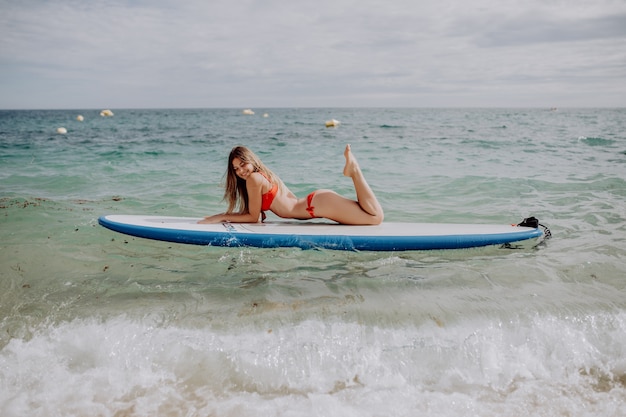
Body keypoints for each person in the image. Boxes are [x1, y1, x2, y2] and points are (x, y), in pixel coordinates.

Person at [198, 144, 384, 225]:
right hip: (316, 203)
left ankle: (354, 171)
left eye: (242, 164)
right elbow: (258, 215)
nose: (240, 171)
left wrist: (222, 216)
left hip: (316, 205)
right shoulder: (262, 175)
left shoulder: (254, 179)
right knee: (372, 215)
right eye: (236, 169)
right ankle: (353, 171)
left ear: (251, 161)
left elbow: (253, 217)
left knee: (375, 218)